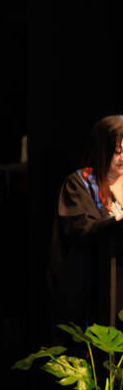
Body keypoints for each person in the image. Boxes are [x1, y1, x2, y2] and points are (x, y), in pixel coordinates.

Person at [50, 115, 123, 330]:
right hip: (96, 286)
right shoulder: (81, 183)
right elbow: (82, 228)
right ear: (102, 150)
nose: (122, 158)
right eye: (117, 151)